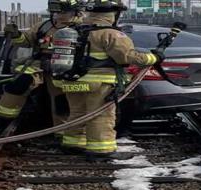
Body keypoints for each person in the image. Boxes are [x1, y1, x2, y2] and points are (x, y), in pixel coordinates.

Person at [55, 1, 160, 157]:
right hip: (99, 83)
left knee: (77, 112)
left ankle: (72, 143)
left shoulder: (75, 30)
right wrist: (152, 58)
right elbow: (126, 56)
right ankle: (101, 149)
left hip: (72, 81)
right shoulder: (111, 34)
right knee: (100, 115)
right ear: (112, 14)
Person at [0, 0, 82, 136]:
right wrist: (17, 35)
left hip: (66, 68)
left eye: (63, 11)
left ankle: (62, 133)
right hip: (39, 65)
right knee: (19, 84)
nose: (59, 15)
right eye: (56, 11)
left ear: (75, 11)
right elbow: (27, 41)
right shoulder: (44, 26)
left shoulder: (83, 28)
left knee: (62, 101)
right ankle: (0, 119)